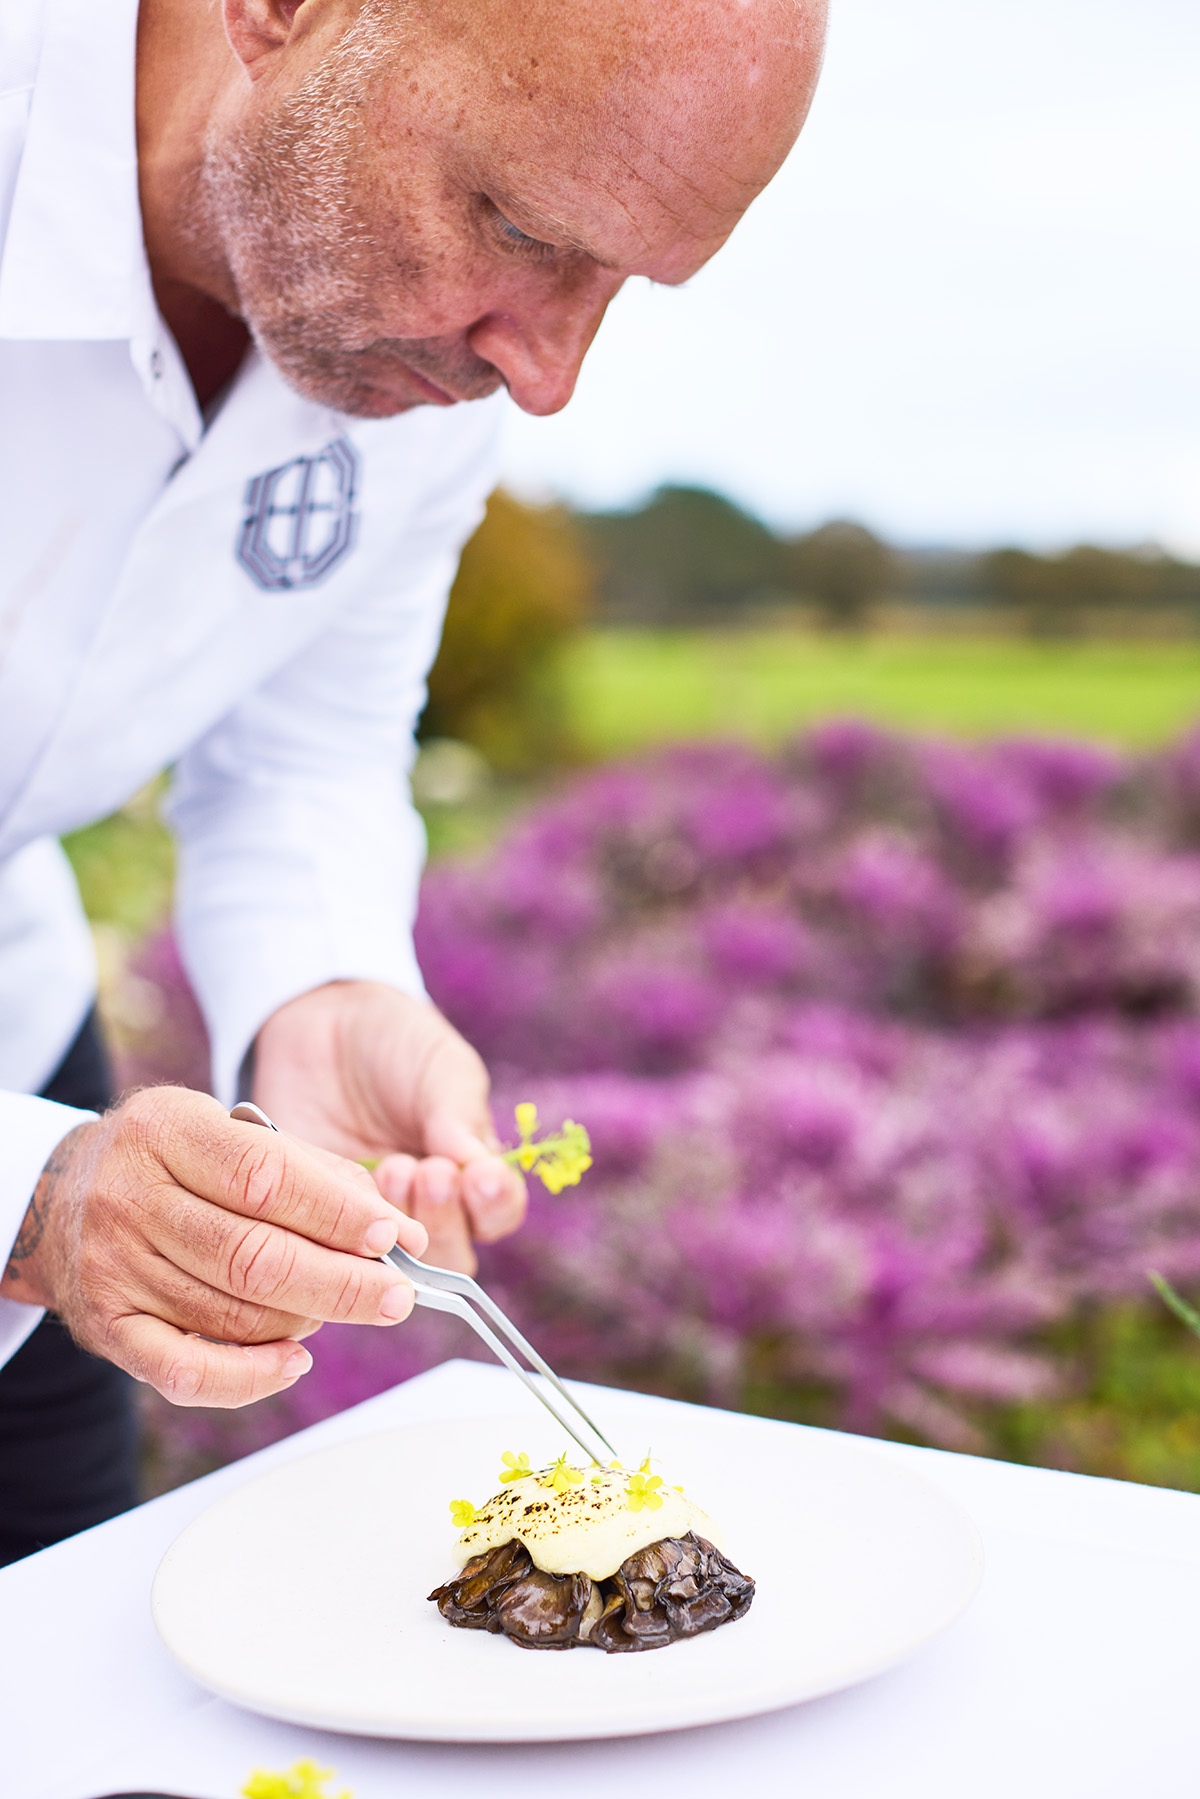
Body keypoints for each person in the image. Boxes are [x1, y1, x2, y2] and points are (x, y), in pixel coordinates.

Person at [0, 0, 827, 1562]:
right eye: (517, 223)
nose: (548, 373)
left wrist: (320, 992)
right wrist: (30, 1193)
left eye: (619, 283)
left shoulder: (413, 343)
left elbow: (305, 745)